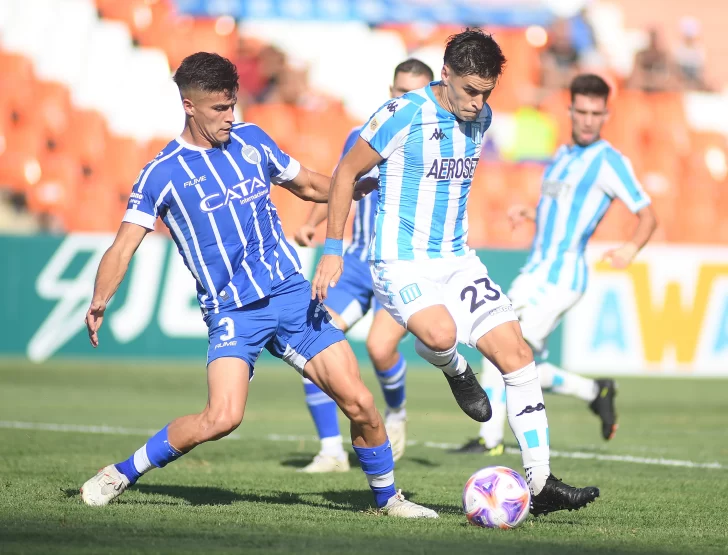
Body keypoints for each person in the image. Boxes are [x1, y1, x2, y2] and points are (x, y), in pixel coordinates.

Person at [79, 52, 437, 519]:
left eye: (233, 106)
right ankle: (122, 472)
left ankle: (390, 500)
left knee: (362, 403)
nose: (230, 118)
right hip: (233, 312)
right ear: (189, 106)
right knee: (221, 418)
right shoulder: (161, 174)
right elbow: (125, 245)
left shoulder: (252, 142)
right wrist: (100, 299)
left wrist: (352, 185)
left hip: (291, 295)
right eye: (218, 110)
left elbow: (309, 184)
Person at [312, 28, 600, 516]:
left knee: (517, 352)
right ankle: (455, 368)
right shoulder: (401, 114)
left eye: (486, 92)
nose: (477, 103)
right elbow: (344, 172)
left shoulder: (481, 116)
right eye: (470, 90)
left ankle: (542, 480)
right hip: (400, 260)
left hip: (458, 259)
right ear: (445, 74)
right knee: (439, 333)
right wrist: (333, 248)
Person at [454, 73, 658, 456]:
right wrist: (530, 212)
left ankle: (490, 441)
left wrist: (630, 250)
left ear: (606, 115)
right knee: (517, 357)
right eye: (580, 111)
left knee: (502, 345)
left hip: (561, 276)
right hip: (537, 269)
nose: (586, 120)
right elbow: (560, 205)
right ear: (570, 110)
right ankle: (595, 391)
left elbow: (647, 215)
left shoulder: (610, 161)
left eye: (595, 113)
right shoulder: (564, 155)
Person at [293, 59, 434, 472]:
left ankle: (397, 411)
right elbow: (342, 184)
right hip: (356, 264)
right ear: (389, 90)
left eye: (413, 94)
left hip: (403, 263)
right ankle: (332, 451)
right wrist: (311, 225)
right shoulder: (364, 135)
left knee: (378, 348)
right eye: (398, 92)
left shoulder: (435, 142)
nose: (403, 100)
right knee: (313, 343)